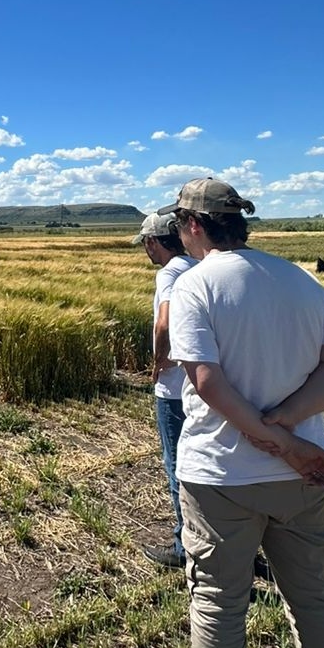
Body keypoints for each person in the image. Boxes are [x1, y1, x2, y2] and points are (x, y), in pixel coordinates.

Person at [167, 178, 324, 648]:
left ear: (193, 225)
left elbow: (204, 380)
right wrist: (291, 432)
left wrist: (269, 432)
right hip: (303, 480)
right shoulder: (302, 282)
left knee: (220, 607)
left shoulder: (195, 284)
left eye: (179, 223)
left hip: (220, 479)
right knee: (315, 604)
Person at [134, 207, 197, 569]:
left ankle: (183, 547)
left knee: (178, 465)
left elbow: (164, 322)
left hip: (174, 390)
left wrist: (161, 359)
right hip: (201, 385)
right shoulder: (197, 267)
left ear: (156, 242)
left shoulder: (169, 273)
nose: (145, 250)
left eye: (145, 243)